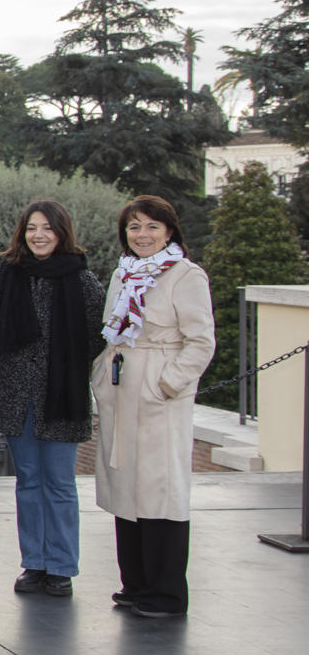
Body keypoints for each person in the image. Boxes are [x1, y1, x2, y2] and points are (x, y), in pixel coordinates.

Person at [93, 196, 215, 619]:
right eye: (133, 227)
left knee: (160, 489)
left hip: (158, 391)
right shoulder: (122, 273)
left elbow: (201, 341)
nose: (142, 235)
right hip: (122, 385)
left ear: (169, 230)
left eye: (151, 227)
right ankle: (136, 583)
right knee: (126, 485)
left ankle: (165, 593)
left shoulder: (186, 275)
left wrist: (168, 383)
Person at [0, 199, 104, 598]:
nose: (38, 235)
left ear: (61, 232)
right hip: (16, 395)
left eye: (47, 228)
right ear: (22, 232)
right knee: (28, 481)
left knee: (61, 484)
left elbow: (95, 338)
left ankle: (62, 566)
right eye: (32, 227)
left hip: (61, 396)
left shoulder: (83, 282)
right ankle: (34, 563)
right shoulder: (8, 275)